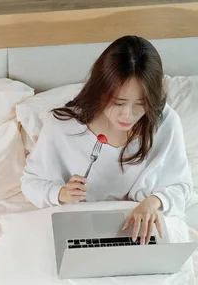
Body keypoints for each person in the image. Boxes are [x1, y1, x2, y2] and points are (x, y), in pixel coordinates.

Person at [21, 35, 193, 244]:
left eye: (141, 103)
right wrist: (60, 193)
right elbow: (31, 183)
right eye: (119, 103)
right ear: (101, 91)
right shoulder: (63, 127)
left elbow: (182, 187)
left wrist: (154, 202)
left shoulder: (164, 122)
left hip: (143, 231)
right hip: (81, 228)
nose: (128, 115)